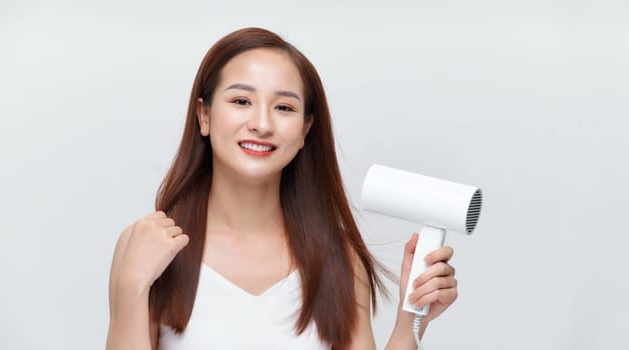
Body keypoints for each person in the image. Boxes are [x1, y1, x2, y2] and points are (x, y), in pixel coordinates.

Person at [106, 27, 459, 349]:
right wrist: (131, 289)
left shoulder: (338, 258)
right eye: (241, 101)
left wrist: (411, 320)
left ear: (306, 129)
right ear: (205, 115)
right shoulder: (151, 249)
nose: (261, 124)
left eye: (284, 107)